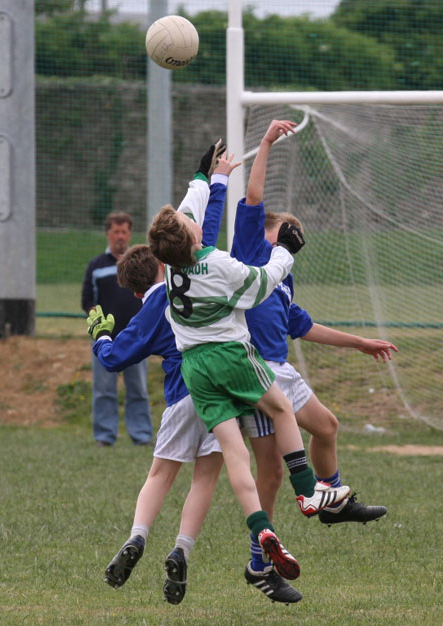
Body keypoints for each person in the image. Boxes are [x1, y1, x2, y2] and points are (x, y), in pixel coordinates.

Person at [147, 136, 351, 590]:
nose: (194, 220)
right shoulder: (216, 263)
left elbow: (187, 209)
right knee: (280, 409)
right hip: (231, 356)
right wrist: (285, 252)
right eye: (191, 222)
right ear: (194, 236)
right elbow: (261, 283)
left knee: (234, 455)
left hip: (195, 369)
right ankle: (306, 491)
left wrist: (206, 176)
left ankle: (260, 526)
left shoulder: (172, 263)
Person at [230, 119, 397, 602]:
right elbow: (256, 193)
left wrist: (360, 343)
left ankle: (331, 500)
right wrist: (265, 143)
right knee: (272, 473)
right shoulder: (248, 251)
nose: (294, 241)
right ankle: (259, 563)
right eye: (288, 232)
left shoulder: (283, 277)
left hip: (280, 367)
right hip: (254, 371)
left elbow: (302, 325)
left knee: (326, 427)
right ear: (267, 230)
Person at [87, 145, 237, 605]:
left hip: (181, 396)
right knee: (205, 479)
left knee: (159, 476)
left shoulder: (149, 306)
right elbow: (200, 225)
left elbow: (114, 360)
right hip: (218, 390)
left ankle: (137, 537)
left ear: (134, 292)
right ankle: (181, 550)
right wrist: (211, 179)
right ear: (162, 262)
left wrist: (100, 336)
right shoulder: (187, 271)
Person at [81, 211, 152, 447]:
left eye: (124, 232)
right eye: (116, 232)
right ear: (107, 234)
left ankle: (141, 436)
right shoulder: (96, 266)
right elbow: (87, 300)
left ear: (129, 233)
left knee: (139, 390)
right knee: (103, 390)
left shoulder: (141, 264)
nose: (120, 236)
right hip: (105, 340)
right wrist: (99, 327)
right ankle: (104, 436)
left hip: (135, 339)